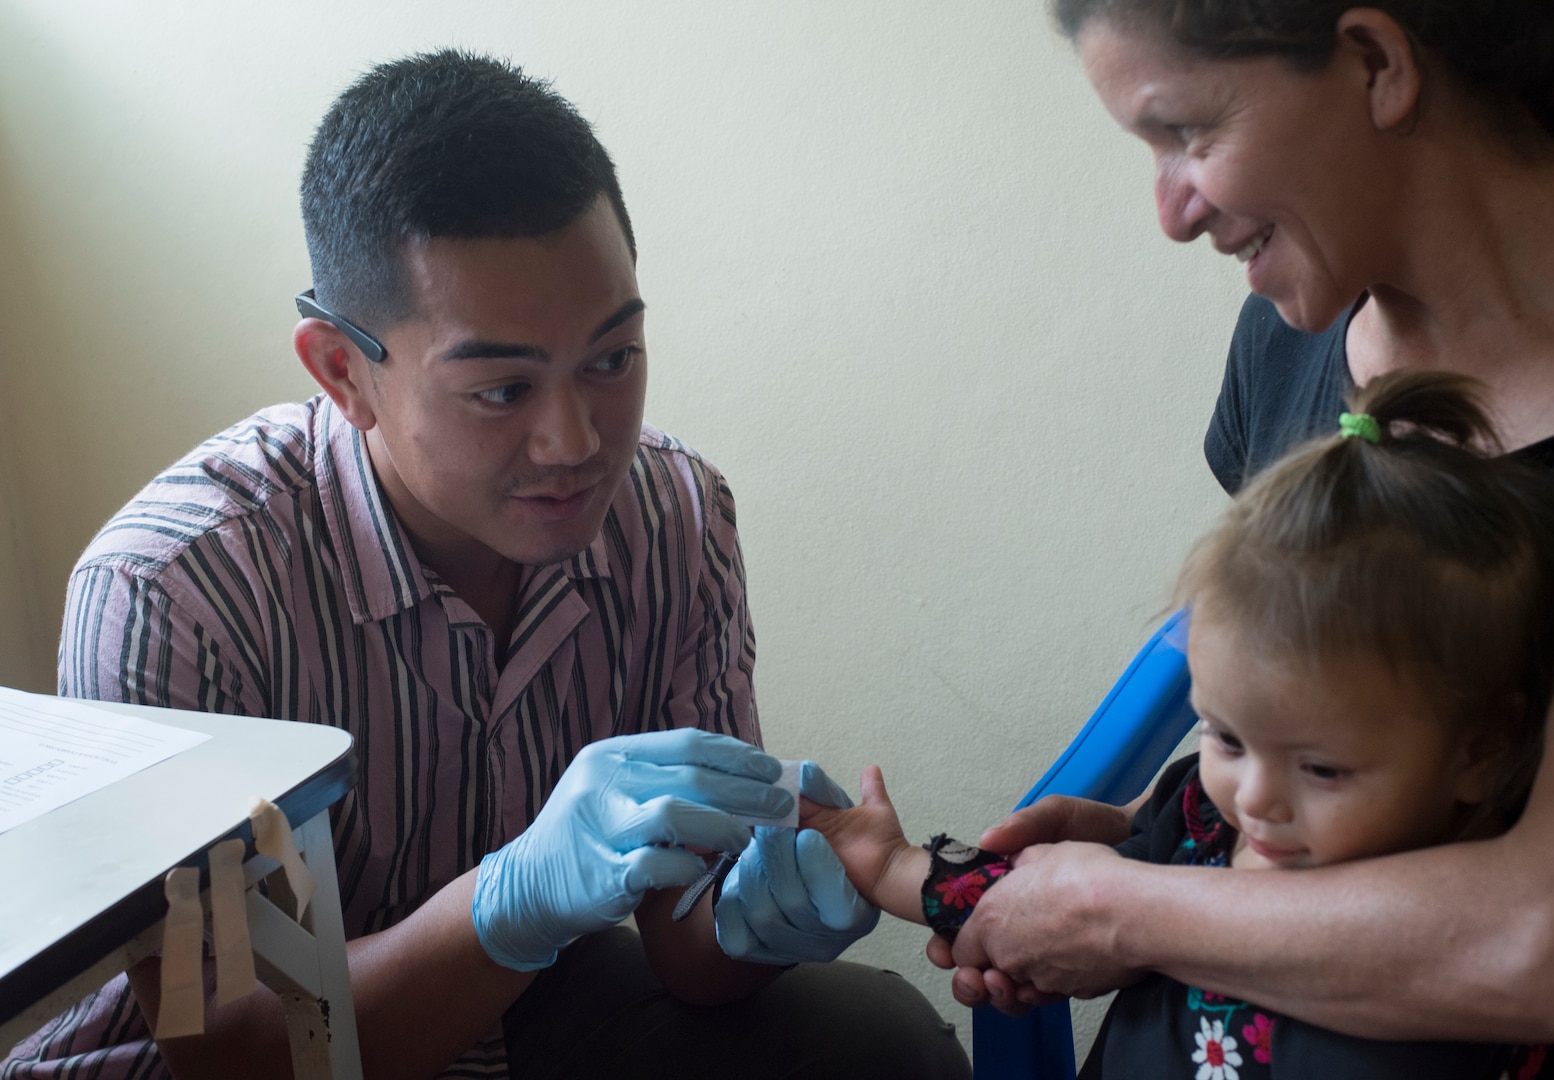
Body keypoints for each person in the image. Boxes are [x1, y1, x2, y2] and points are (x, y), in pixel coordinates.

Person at [7, 50, 970, 1080]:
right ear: (345, 373)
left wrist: (750, 925)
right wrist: (506, 901)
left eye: (612, 360)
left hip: (532, 1021)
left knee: (876, 1044)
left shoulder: (676, 514)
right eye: (501, 390)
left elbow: (682, 951)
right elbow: (232, 1050)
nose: (575, 443)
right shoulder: (176, 591)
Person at [937, 0, 1554, 1071]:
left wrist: (1130, 910)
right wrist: (1178, 848)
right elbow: (1336, 707)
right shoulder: (1290, 346)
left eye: (1189, 133)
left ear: (1373, 62)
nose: (1170, 209)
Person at [805, 371, 1554, 1077]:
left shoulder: (1463, 919)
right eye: (1224, 737)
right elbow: (1013, 900)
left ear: (1479, 750)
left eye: (1323, 769)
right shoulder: (1196, 816)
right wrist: (891, 864)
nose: (1255, 798)